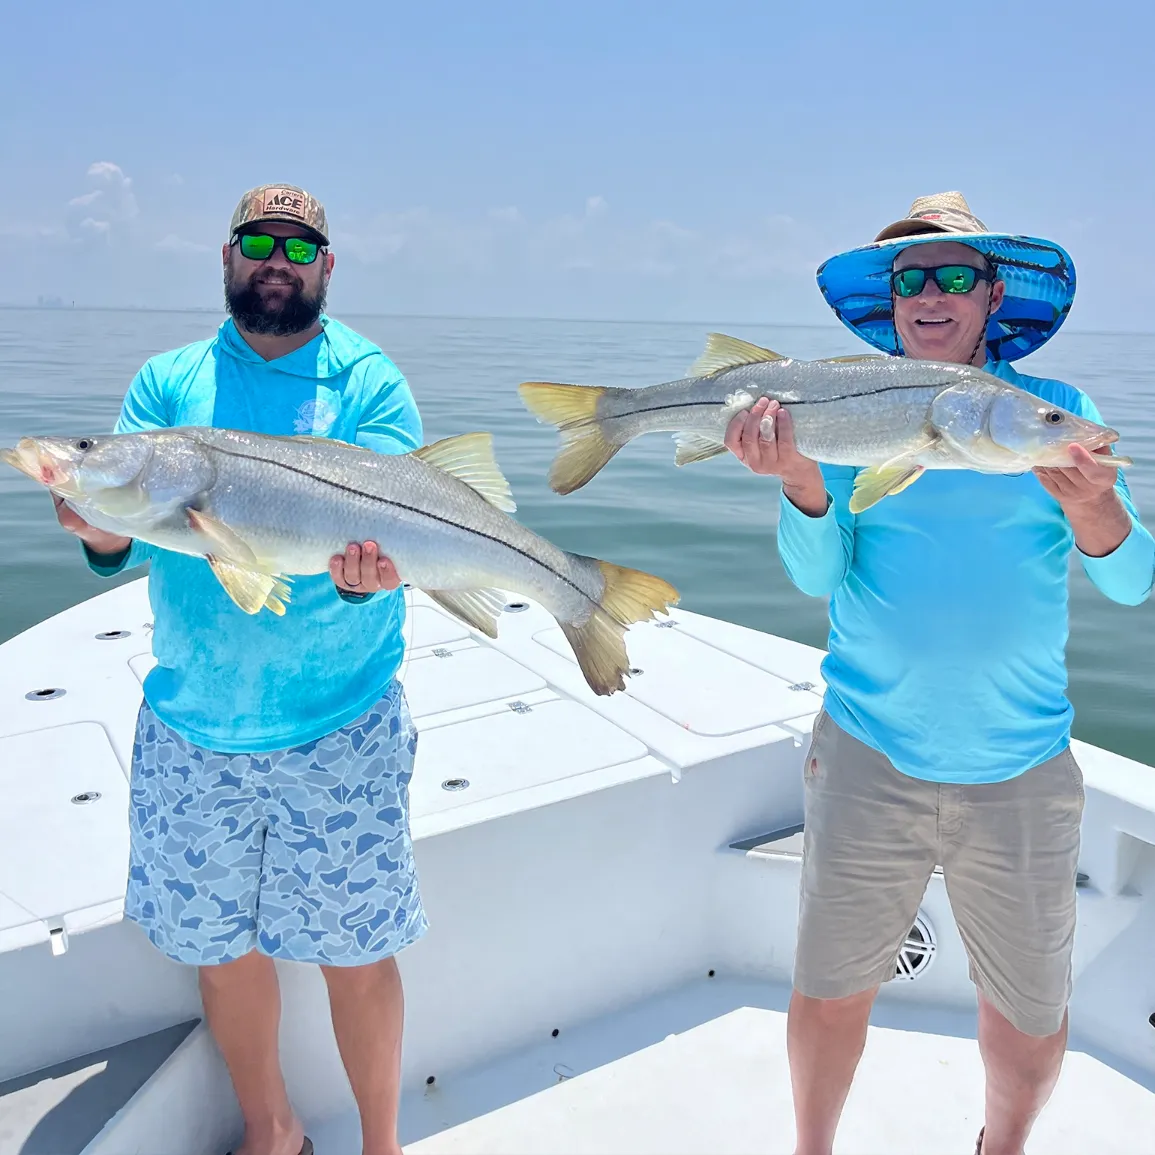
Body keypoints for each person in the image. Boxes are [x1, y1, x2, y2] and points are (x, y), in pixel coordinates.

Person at [724, 191, 1154, 1155]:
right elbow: (817, 574)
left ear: (992, 294)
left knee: (1032, 1015)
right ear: (891, 300)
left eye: (954, 274)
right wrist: (799, 482)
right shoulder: (845, 408)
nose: (930, 293)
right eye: (910, 277)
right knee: (830, 987)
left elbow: (1129, 582)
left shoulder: (1060, 417)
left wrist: (1092, 505)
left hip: (1021, 765)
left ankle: (998, 1147)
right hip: (867, 750)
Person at [54, 183, 424, 1155]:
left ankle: (381, 1146)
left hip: (340, 723)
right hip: (193, 724)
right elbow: (123, 541)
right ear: (226, 257)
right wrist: (98, 529)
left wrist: (363, 582)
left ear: (326, 269)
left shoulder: (371, 385)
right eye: (257, 241)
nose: (277, 258)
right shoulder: (168, 387)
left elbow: (392, 548)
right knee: (219, 951)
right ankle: (273, 1131)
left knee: (357, 953)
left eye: (298, 247)